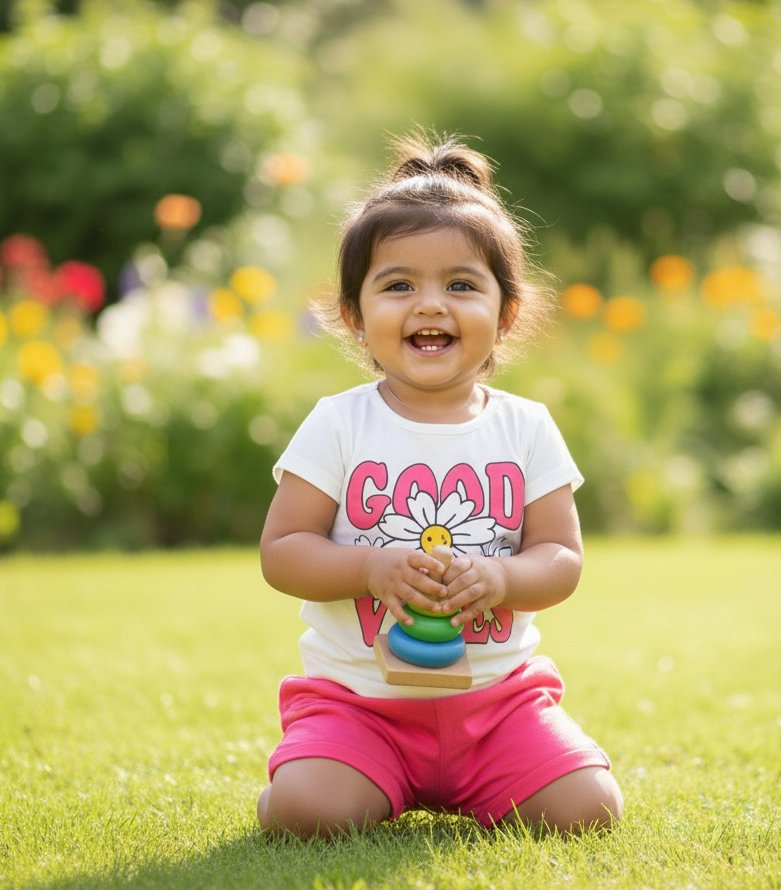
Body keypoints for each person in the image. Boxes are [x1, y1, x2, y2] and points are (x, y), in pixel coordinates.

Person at [257, 134, 623, 838]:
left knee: (589, 810)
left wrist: (501, 577)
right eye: (398, 285)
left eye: (461, 285)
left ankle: (481, 782)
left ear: (506, 313)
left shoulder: (527, 428)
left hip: (498, 708)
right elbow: (283, 549)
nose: (430, 305)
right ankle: (314, 785)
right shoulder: (339, 424)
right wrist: (368, 565)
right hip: (359, 706)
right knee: (310, 812)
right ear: (356, 316)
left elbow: (561, 558)